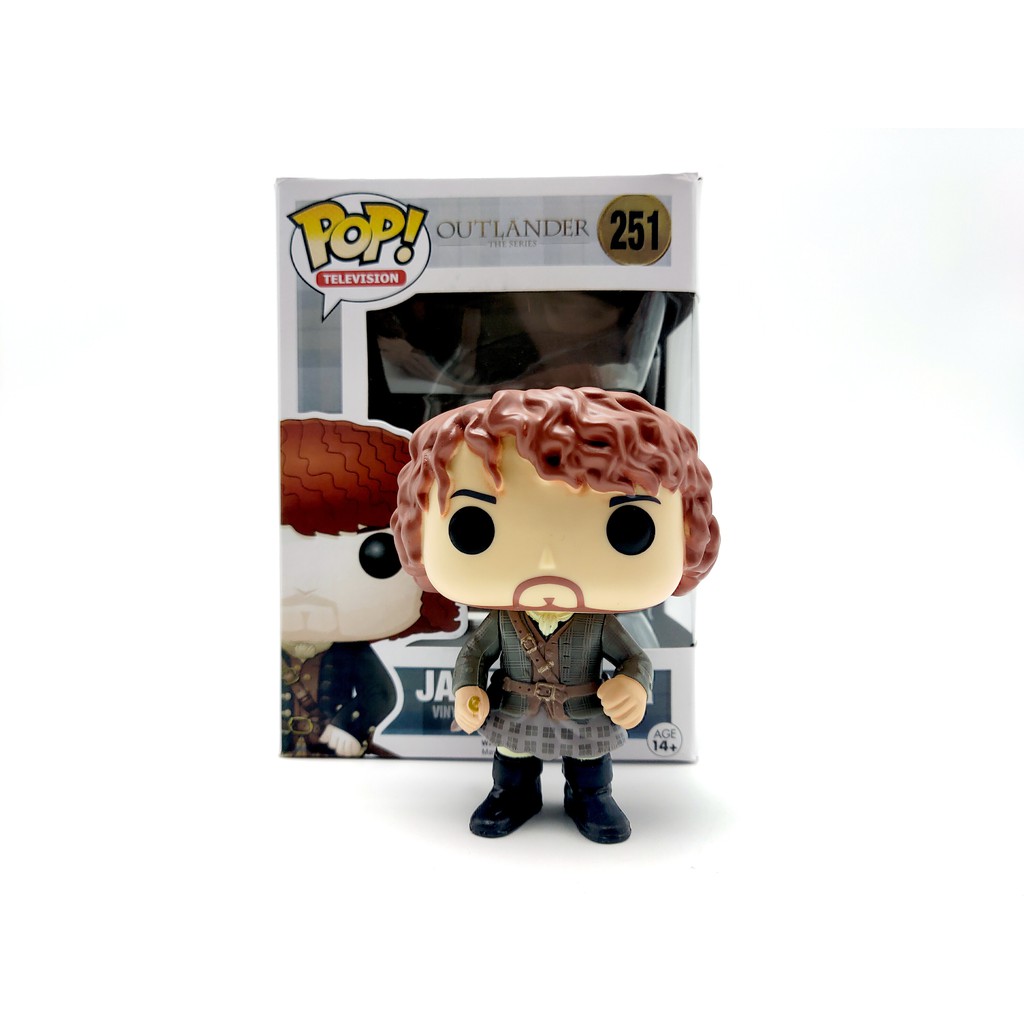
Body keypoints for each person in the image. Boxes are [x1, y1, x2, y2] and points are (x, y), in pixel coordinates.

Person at [392, 387, 719, 841]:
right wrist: (467, 688)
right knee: (511, 759)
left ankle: (591, 798)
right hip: (515, 709)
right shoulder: (504, 622)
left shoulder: (597, 622)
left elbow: (634, 658)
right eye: (473, 527)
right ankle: (512, 795)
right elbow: (474, 654)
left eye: (629, 527)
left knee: (589, 764)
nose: (547, 563)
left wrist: (632, 685)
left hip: (584, 711)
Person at [281, 417, 459, 757]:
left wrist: (350, 725)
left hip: (332, 748)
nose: (307, 588)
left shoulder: (349, 650)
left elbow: (381, 693)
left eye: (377, 554)